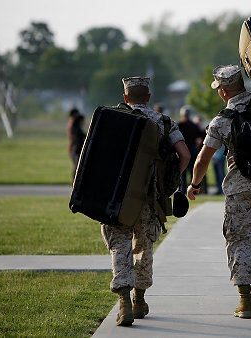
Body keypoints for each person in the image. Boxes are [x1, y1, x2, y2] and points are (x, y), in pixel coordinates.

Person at [187, 65, 251, 319]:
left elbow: (202, 160)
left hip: (239, 190)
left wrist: (195, 184)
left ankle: (245, 303)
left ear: (223, 92)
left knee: (239, 242)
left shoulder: (222, 120)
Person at [101, 76, 190, 327]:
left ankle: (124, 303)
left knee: (120, 246)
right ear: (148, 98)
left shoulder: (113, 118)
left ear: (126, 97)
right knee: (144, 248)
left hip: (117, 199)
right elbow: (184, 154)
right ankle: (140, 300)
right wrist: (169, 182)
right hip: (149, 200)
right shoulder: (163, 122)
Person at [178, 105, 203, 192]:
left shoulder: (180, 125)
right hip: (193, 149)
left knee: (183, 171)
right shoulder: (194, 125)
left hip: (184, 150)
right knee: (193, 170)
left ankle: (183, 189)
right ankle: (193, 189)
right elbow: (201, 136)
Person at [70, 114, 86, 180]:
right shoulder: (77, 130)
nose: (84, 122)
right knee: (77, 167)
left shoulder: (76, 129)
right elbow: (79, 140)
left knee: (77, 167)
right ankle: (75, 180)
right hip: (77, 151)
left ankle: (75, 180)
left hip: (75, 150)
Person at [67, 107, 81, 180]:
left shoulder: (71, 123)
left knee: (76, 166)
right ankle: (74, 181)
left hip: (72, 147)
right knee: (76, 166)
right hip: (74, 148)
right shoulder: (73, 124)